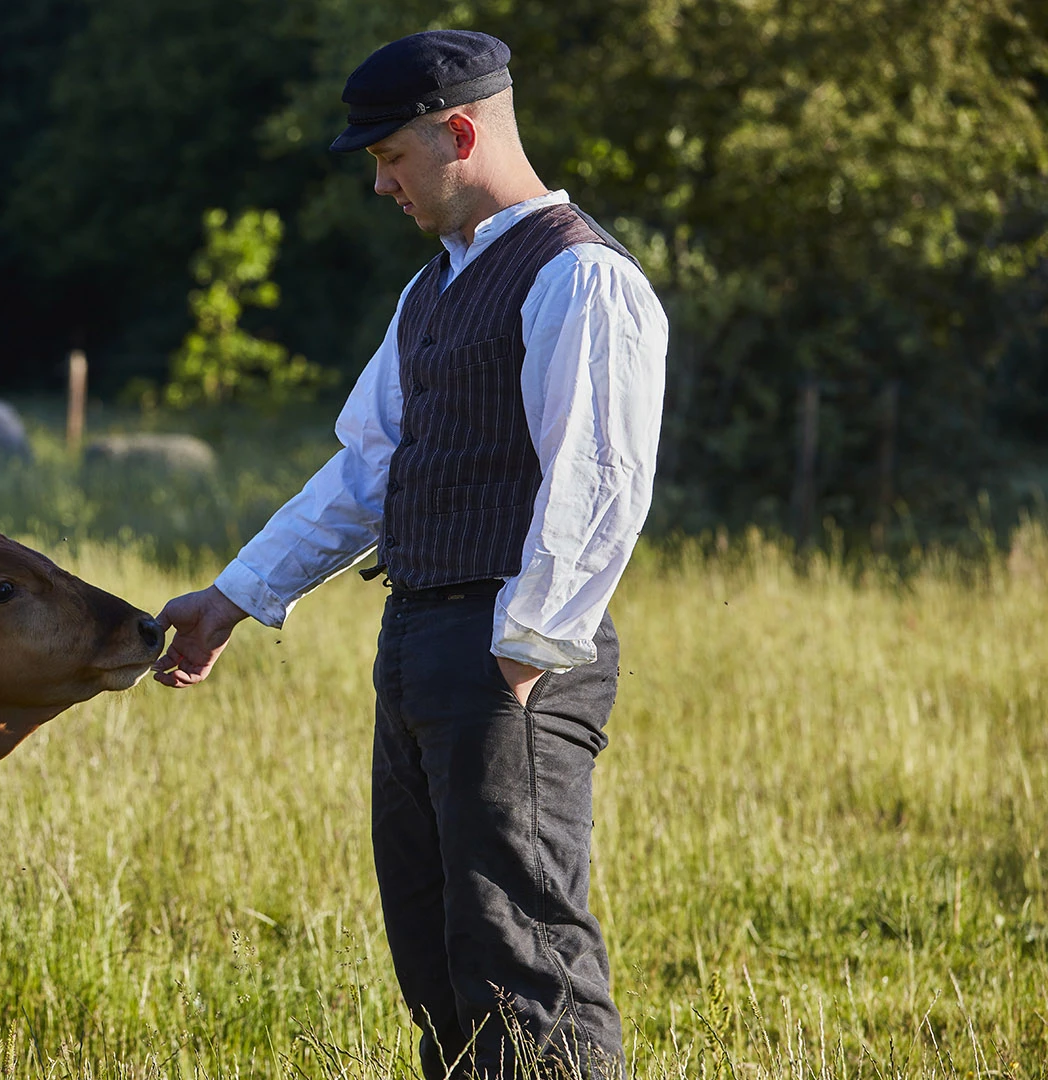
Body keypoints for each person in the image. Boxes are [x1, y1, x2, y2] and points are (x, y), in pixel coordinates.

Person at [152, 29, 667, 1079]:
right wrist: (236, 596)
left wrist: (524, 652)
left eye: (390, 158)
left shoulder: (579, 278)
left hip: (507, 653)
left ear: (460, 131)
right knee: (436, 949)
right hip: (421, 643)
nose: (381, 184)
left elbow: (598, 482)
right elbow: (367, 470)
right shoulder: (431, 292)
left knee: (520, 953)